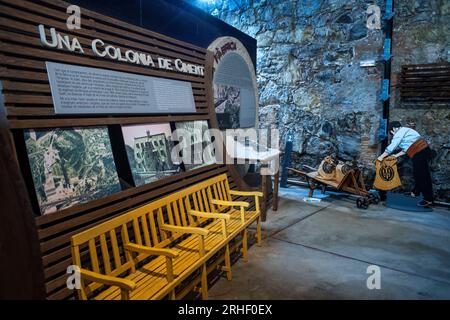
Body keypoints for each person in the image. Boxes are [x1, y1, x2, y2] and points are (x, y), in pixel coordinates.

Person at [377, 121, 433, 207]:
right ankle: (415, 192)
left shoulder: (400, 132)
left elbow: (392, 146)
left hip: (420, 151)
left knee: (422, 175)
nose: (392, 134)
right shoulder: (406, 132)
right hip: (420, 151)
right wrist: (396, 155)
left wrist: (381, 157)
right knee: (418, 173)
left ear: (394, 129)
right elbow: (406, 149)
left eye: (391, 132)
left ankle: (428, 199)